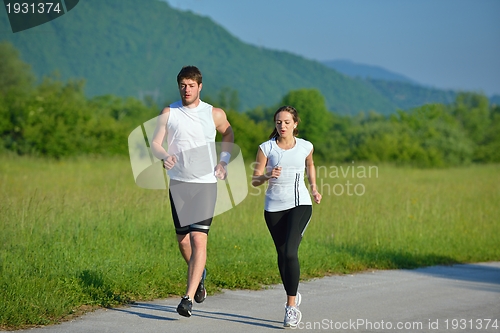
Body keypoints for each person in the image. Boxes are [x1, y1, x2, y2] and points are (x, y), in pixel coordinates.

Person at [151, 65, 234, 317]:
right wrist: (164, 156)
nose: (186, 90)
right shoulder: (169, 112)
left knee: (199, 238)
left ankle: (187, 298)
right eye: (182, 85)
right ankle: (200, 275)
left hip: (205, 184)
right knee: (183, 241)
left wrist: (224, 160)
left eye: (191, 85)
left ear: (200, 86)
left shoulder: (214, 113)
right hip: (178, 183)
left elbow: (228, 132)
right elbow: (155, 143)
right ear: (179, 87)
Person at [251, 105, 321, 328]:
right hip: (273, 208)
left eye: (287, 122)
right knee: (282, 255)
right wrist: (268, 175)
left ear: (295, 124)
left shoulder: (305, 146)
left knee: (290, 251)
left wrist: (314, 188)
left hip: (300, 203)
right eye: (279, 122)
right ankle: (293, 293)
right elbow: (255, 179)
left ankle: (291, 307)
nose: (282, 126)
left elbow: (310, 164)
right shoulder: (266, 148)